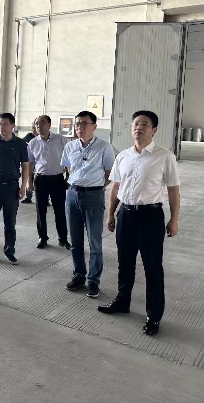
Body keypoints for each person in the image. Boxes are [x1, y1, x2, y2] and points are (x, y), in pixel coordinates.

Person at [98, 111, 180, 336]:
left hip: (150, 216)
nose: (139, 128)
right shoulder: (123, 156)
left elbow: (173, 190)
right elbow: (116, 187)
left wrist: (174, 220)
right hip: (125, 214)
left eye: (145, 124)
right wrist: (111, 214)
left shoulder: (165, 157)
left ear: (154, 130)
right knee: (125, 262)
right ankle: (122, 301)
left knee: (152, 266)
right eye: (136, 124)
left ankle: (154, 315)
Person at [61, 111, 115, 299]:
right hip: (72, 195)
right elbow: (69, 168)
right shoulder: (70, 146)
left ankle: (93, 281)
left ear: (94, 126)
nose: (80, 127)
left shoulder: (104, 147)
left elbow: (110, 173)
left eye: (84, 123)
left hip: (93, 196)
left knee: (95, 242)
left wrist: (96, 187)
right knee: (75, 242)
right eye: (77, 124)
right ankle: (79, 276)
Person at [0, 113, 28, 265]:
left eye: (5, 124)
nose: (1, 127)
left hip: (11, 187)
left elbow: (25, 166)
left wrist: (23, 186)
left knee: (10, 222)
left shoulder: (21, 144)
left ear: (12, 126)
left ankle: (10, 251)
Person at [28, 115, 71, 250]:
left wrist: (68, 177)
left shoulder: (60, 140)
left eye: (42, 123)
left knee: (60, 210)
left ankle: (63, 239)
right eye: (36, 124)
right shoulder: (33, 143)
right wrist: (29, 182)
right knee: (40, 211)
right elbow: (30, 164)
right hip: (40, 180)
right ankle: (43, 238)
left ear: (49, 124)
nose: (39, 126)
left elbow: (69, 160)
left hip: (57, 179)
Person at [21, 119, 38, 204]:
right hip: (30, 161)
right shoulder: (29, 136)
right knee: (29, 178)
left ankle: (45, 199)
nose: (33, 130)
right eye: (32, 128)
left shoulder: (43, 137)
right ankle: (28, 196)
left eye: (34, 128)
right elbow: (21, 143)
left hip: (39, 163)